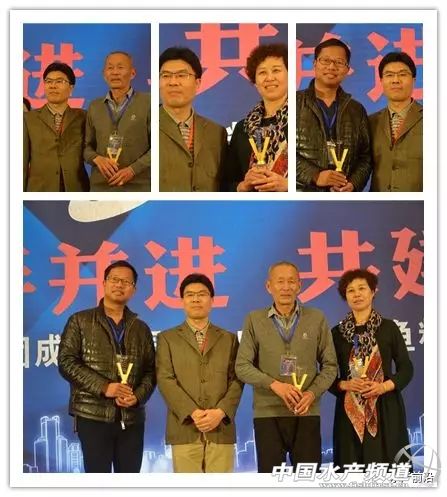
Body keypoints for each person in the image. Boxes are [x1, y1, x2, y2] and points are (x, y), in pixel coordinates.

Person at [235, 261, 337, 472]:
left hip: (306, 411)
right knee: (271, 480)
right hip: (267, 413)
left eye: (291, 281)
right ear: (268, 286)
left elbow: (330, 366)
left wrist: (311, 394)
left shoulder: (316, 318)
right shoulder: (254, 320)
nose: (286, 287)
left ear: (299, 285)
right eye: (280, 281)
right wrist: (275, 385)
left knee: (309, 478)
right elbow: (242, 366)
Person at [58, 261, 156, 473]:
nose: (119, 285)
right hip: (93, 415)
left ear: (134, 289)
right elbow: (66, 361)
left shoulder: (141, 329)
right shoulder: (80, 321)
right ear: (104, 283)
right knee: (98, 482)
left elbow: (151, 371)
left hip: (131, 419)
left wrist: (137, 397)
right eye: (115, 279)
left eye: (126, 282)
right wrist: (105, 387)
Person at [156, 273, 243, 472]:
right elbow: (165, 379)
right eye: (190, 295)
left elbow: (237, 380)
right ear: (182, 301)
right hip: (184, 428)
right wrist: (193, 412)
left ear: (212, 300)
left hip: (221, 429)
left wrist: (220, 412)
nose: (196, 299)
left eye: (202, 294)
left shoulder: (229, 339)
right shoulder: (167, 338)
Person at [331, 269, 413, 470]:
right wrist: (344, 384)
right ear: (345, 296)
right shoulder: (336, 333)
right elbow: (327, 374)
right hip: (350, 409)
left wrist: (383, 387)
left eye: (362, 288)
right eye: (350, 290)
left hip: (385, 406)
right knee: (352, 467)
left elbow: (406, 367)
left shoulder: (388, 328)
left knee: (390, 466)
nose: (357, 294)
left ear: (373, 291)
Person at [296, 38, 372, 192]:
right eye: (325, 60)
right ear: (315, 64)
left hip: (342, 197)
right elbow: (281, 152)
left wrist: (353, 184)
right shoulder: (292, 103)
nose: (332, 66)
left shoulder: (357, 110)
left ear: (347, 69)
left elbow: (365, 157)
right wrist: (315, 175)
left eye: (339, 62)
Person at [159, 47, 227, 192]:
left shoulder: (216, 132)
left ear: (197, 83)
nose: (173, 82)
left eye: (181, 75)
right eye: (166, 76)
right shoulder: (144, 126)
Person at [222, 43, 288, 192]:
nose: (269, 78)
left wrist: (287, 185)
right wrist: (243, 186)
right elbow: (227, 183)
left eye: (276, 70)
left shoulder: (303, 119)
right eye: (262, 72)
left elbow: (318, 176)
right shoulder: (243, 128)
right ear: (255, 82)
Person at [84, 51, 150, 192]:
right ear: (104, 74)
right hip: (101, 186)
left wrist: (133, 170)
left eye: (120, 67)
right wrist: (96, 158)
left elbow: (159, 147)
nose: (115, 72)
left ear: (132, 73)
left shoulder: (148, 102)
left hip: (138, 186)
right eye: (110, 68)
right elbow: (86, 147)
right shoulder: (94, 106)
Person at [23, 62, 89, 192]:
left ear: (71, 88)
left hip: (76, 188)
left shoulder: (83, 117)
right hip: (40, 190)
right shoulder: (28, 119)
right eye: (48, 81)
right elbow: (22, 161)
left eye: (59, 81)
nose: (53, 86)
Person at [369, 52, 423, 192]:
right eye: (389, 75)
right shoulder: (370, 122)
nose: (395, 80)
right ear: (381, 81)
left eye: (402, 74)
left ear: (414, 80)